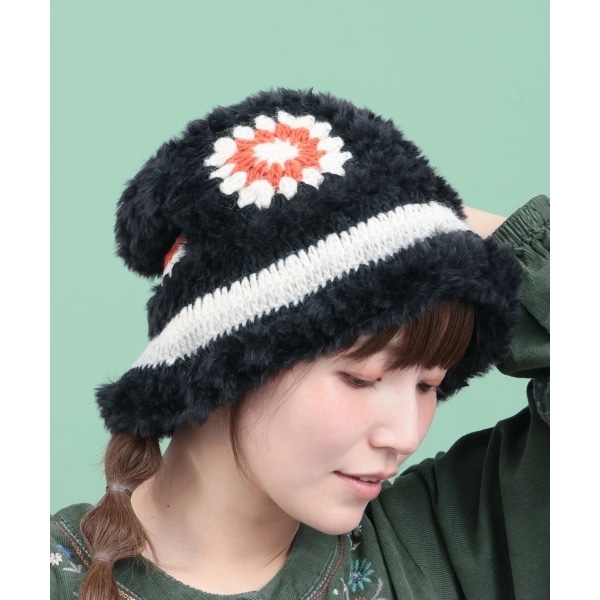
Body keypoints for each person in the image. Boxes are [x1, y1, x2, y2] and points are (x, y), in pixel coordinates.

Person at [50, 88, 549, 599]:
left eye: (428, 386)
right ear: (223, 364)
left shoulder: (431, 546)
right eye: (361, 378)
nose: (404, 436)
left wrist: (417, 208)